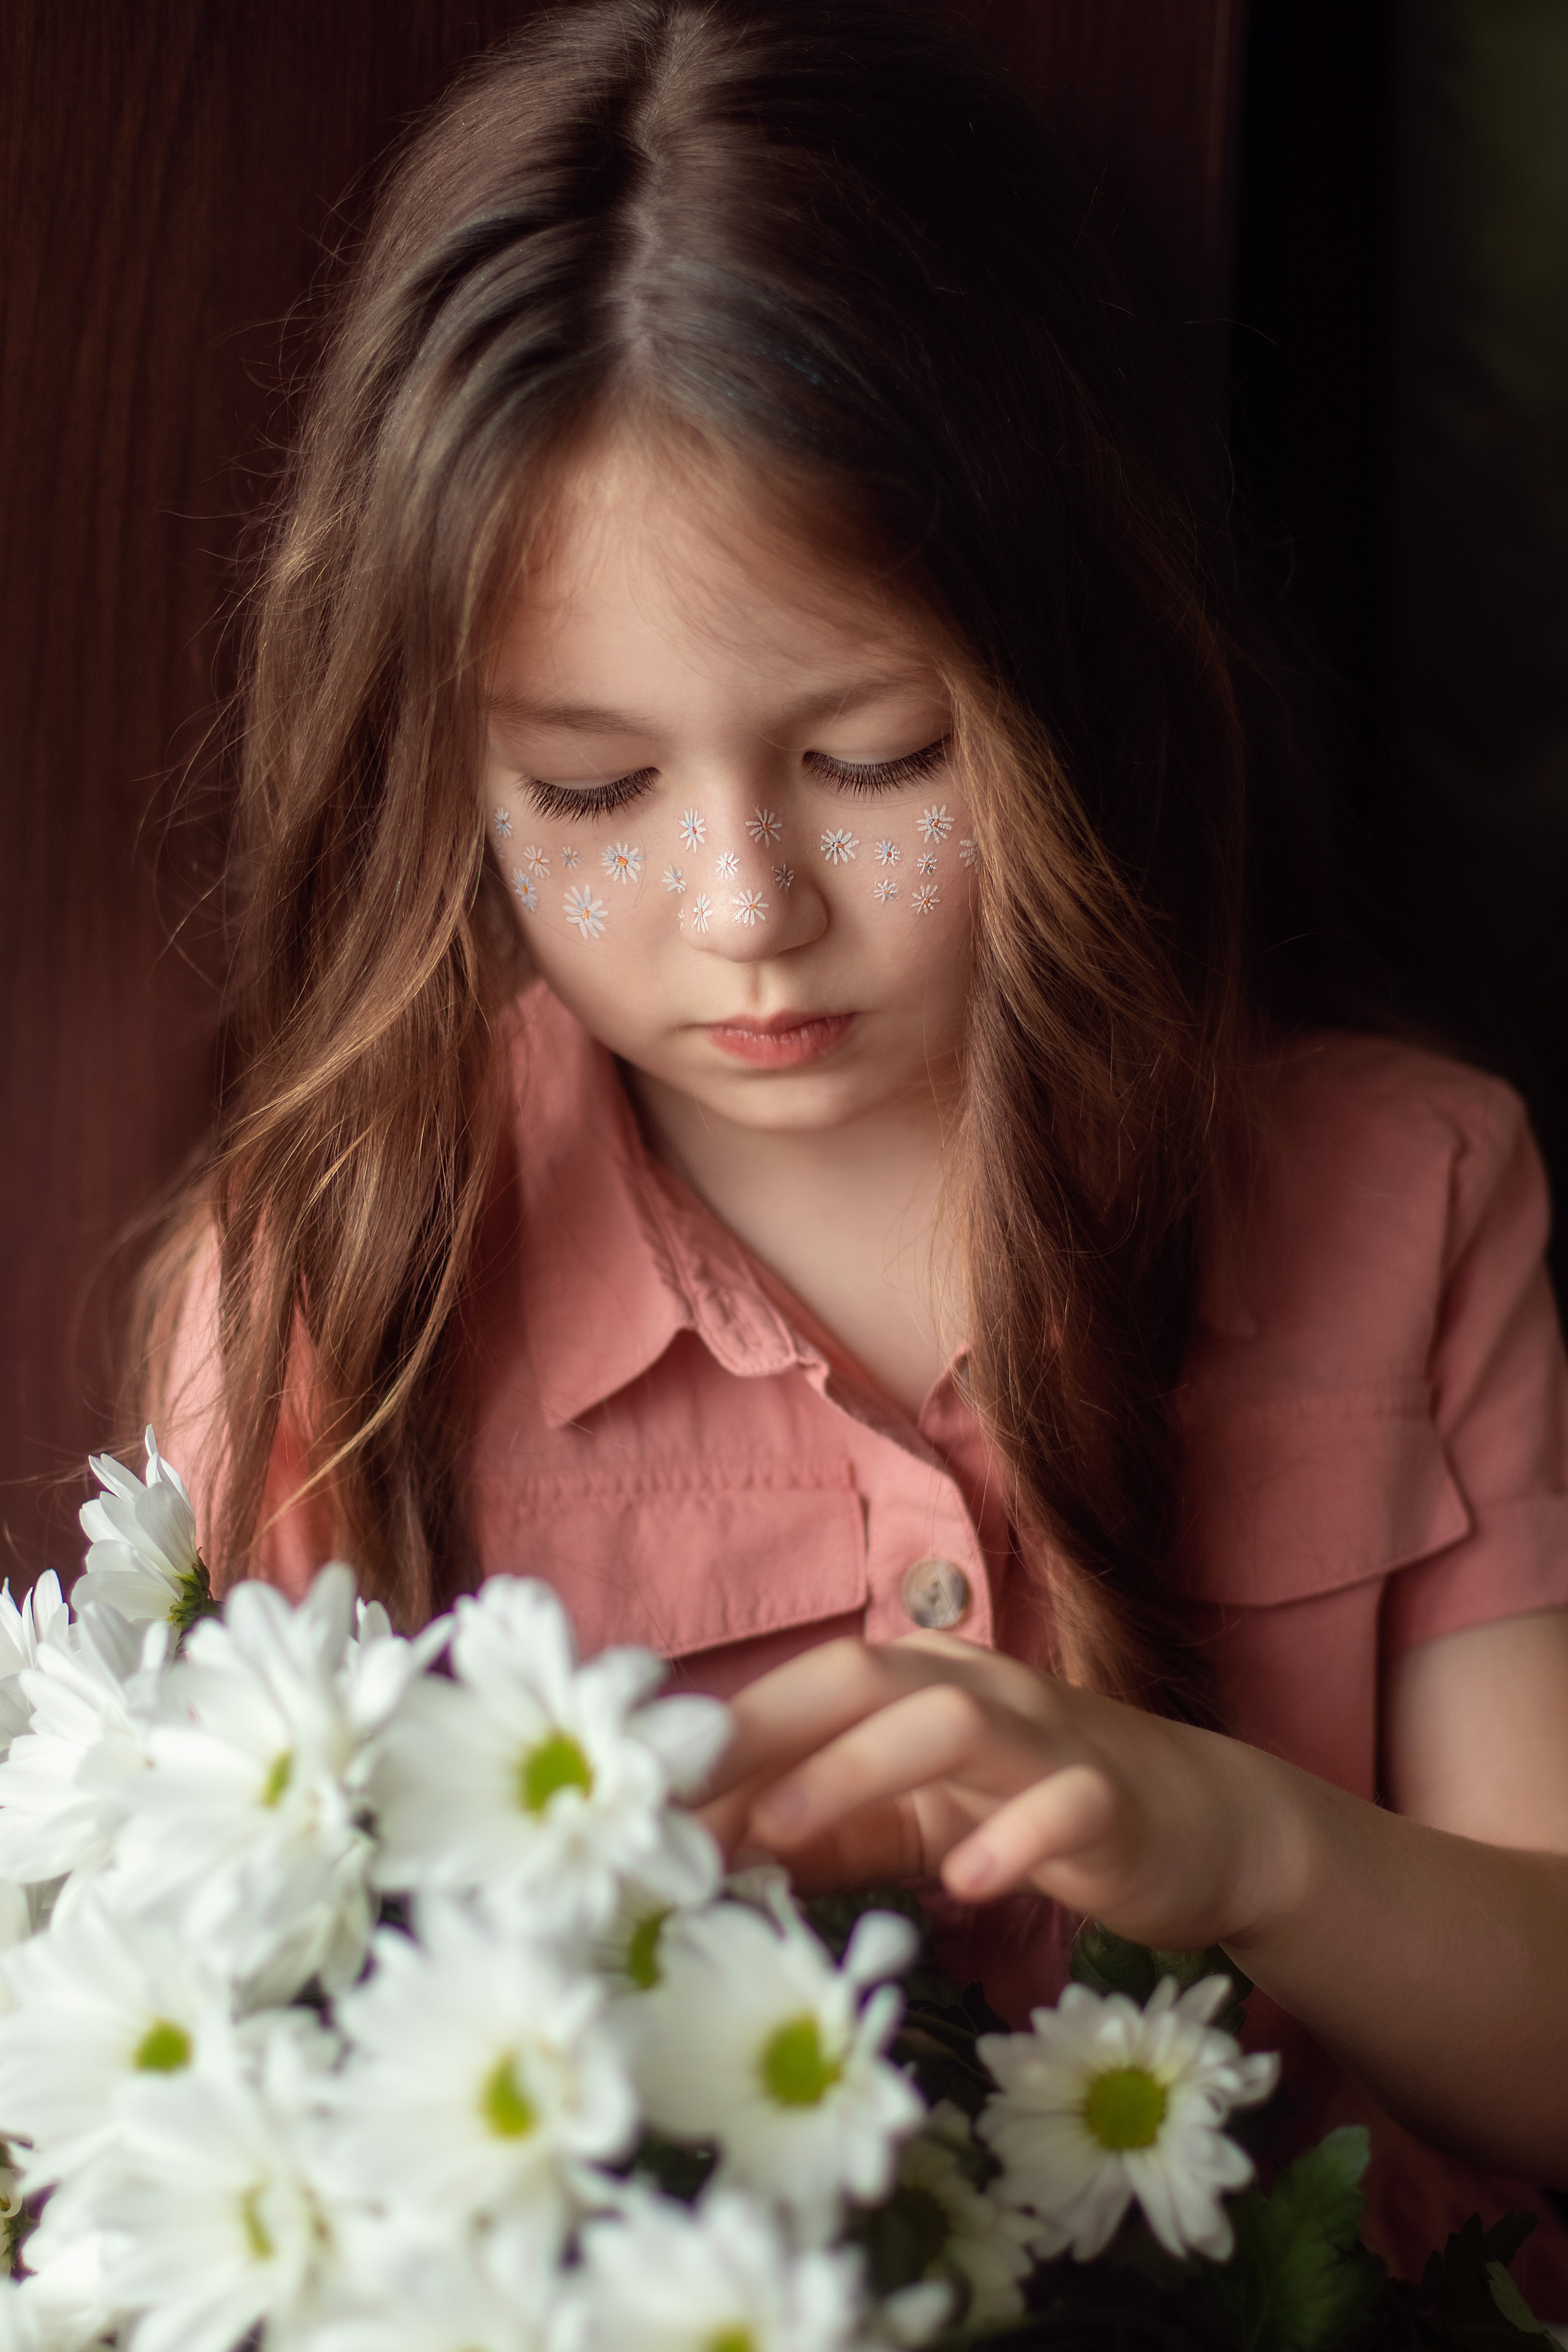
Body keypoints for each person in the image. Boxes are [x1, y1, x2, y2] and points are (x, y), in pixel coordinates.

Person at [138, 0, 1568, 2302]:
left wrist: (1260, 1849)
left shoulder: (1411, 1196)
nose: (745, 909)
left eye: (884, 758)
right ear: (452, 778)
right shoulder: (343, 1275)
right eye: (592, 794)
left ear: (1072, 671)